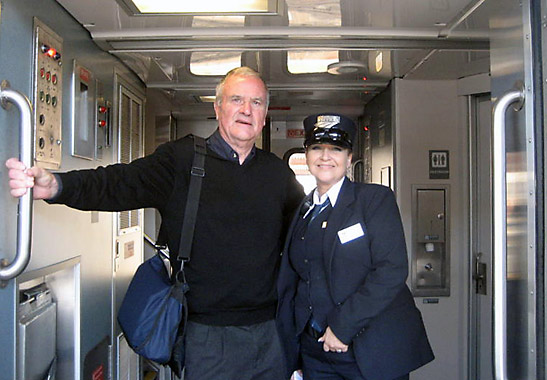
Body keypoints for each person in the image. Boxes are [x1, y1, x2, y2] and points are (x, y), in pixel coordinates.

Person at [6, 66, 305, 380]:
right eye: (236, 100)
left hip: (270, 334)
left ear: (265, 113)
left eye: (256, 103)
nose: (246, 110)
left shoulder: (277, 173)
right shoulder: (182, 160)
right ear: (217, 108)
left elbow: (305, 235)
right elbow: (118, 183)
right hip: (206, 337)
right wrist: (58, 186)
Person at [277, 113, 434, 380]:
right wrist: (294, 350)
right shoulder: (302, 211)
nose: (325, 156)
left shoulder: (373, 200)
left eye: (336, 149)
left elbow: (391, 270)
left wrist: (341, 327)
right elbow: (296, 280)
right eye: (317, 147)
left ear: (349, 158)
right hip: (315, 352)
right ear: (306, 155)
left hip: (369, 349)